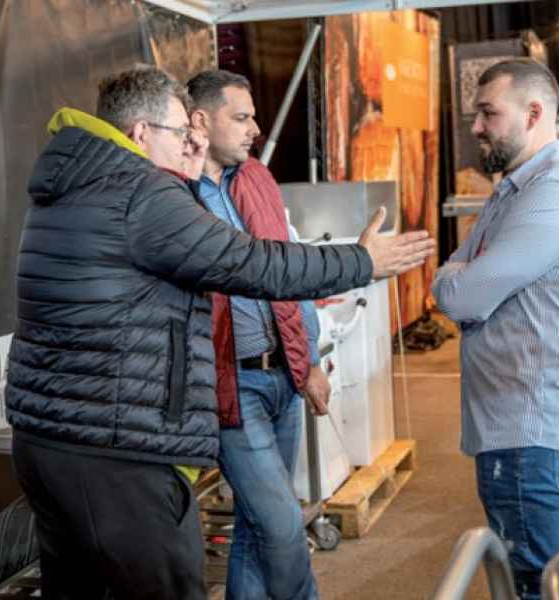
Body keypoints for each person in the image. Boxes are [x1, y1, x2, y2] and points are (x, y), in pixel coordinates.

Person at [6, 66, 431, 600]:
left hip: (55, 439)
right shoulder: (140, 192)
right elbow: (250, 263)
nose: (189, 145)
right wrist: (360, 262)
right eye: (180, 133)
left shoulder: (76, 182)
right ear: (141, 133)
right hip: (118, 453)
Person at [186, 69, 436, 600]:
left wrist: (310, 362)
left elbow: (289, 270)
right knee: (281, 525)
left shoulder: (256, 178)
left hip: (281, 377)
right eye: (242, 117)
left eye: (255, 117)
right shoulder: (177, 196)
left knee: (258, 525)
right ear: (200, 122)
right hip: (232, 386)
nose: (255, 129)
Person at [431, 58, 559, 600]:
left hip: (525, 425)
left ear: (532, 113)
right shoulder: (516, 189)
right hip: (508, 421)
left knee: (532, 581)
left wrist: (457, 279)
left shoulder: (553, 194)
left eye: (489, 113)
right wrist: (457, 278)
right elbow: (452, 274)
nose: (476, 127)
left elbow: (461, 294)